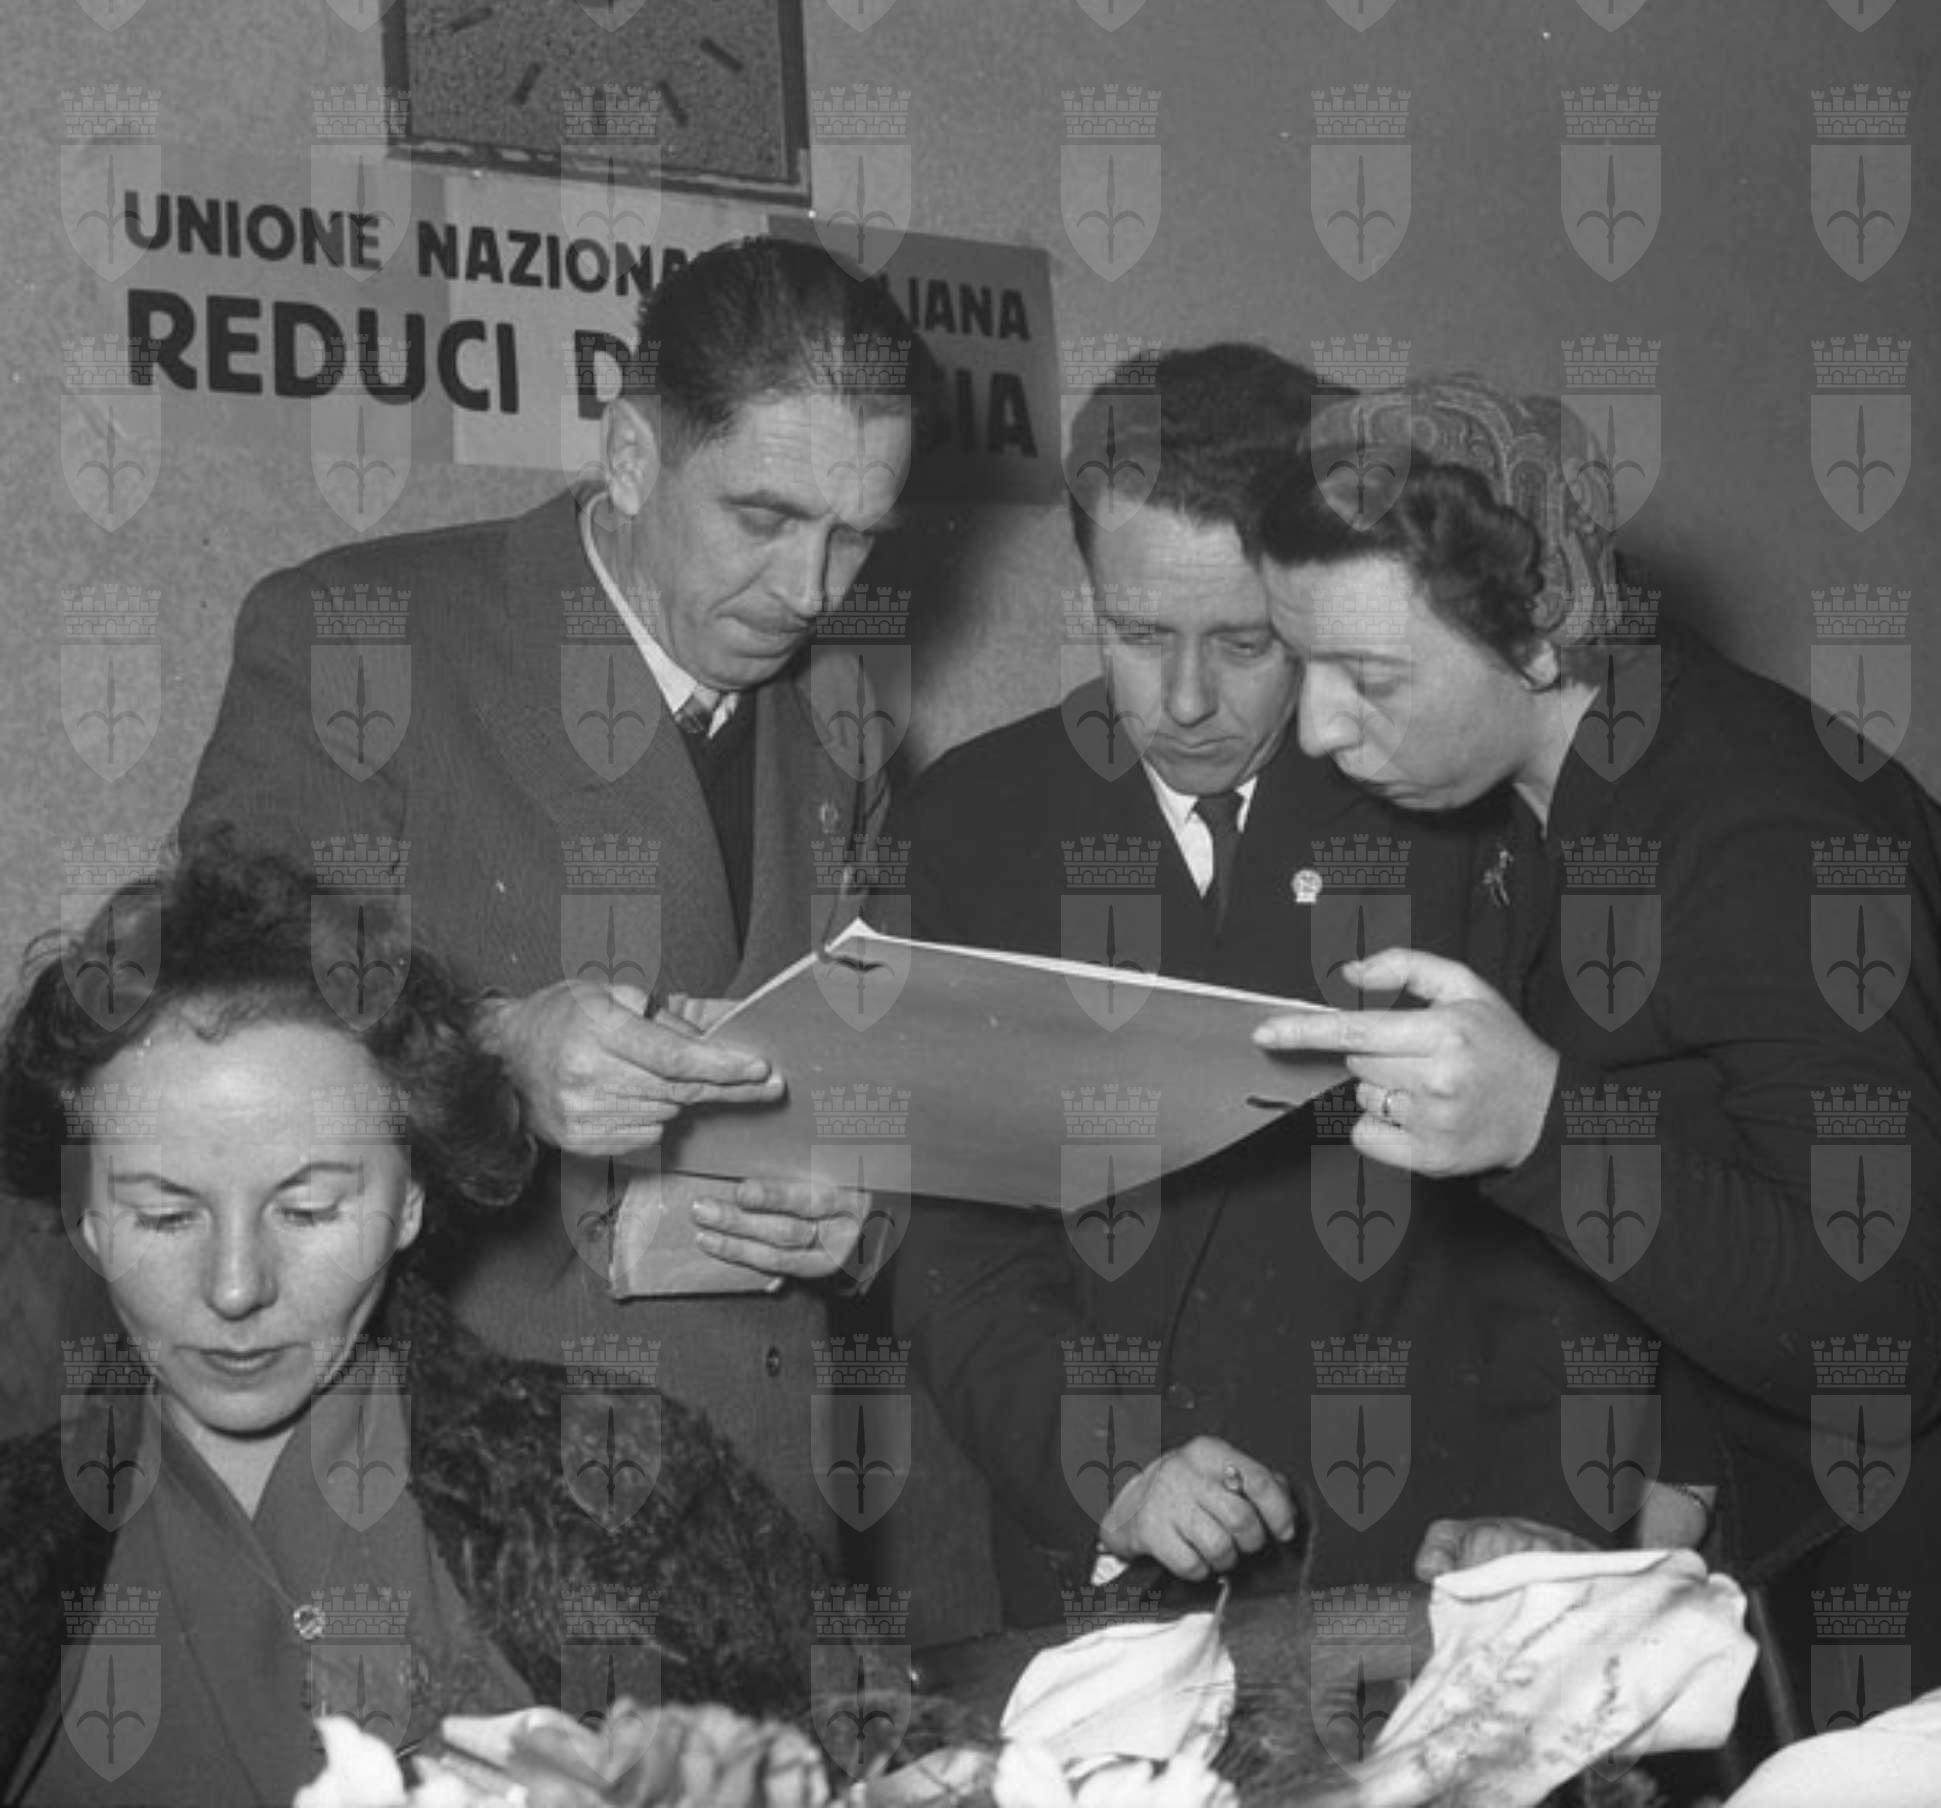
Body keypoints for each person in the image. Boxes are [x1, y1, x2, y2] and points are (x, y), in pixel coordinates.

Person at [177, 237, 941, 1552]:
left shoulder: (847, 713)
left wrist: (858, 1207)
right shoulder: (359, 632)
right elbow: (214, 1026)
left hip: (764, 1501)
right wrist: (491, 1051)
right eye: (764, 519)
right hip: (441, 1506)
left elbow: (893, 1058)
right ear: (633, 455)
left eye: (855, 536)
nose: (812, 592)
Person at [885, 347, 1638, 1629]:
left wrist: (1549, 1503)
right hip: (1116, 1574)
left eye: (1246, 642)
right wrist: (1111, 1466)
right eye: (1137, 635)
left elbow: (1566, 1209)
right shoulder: (968, 822)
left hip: (1438, 1548)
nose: (1185, 701)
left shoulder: (1453, 802)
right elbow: (956, 1244)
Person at [1248, 373, 1941, 1704]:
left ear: (1537, 636)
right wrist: (1644, 1526)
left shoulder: (1764, 832)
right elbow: (1722, 1188)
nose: (1316, 725)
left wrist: (1542, 1129)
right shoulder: (1557, 798)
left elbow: (1896, 1332)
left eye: (1369, 676)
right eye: (1300, 661)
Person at [0, 843, 828, 1806]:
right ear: (87, 1221)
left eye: (308, 1210)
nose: (235, 1289)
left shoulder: (635, 1491)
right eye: (164, 1216)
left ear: (411, 1201)